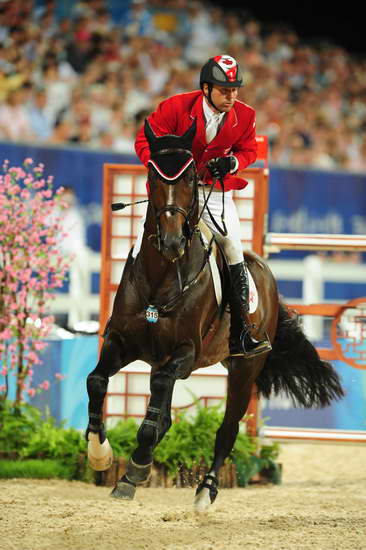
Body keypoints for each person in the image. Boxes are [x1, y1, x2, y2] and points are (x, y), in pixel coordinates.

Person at [134, 54, 271, 358]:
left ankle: (241, 333)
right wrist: (163, 168)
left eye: (235, 90)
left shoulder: (245, 116)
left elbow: (250, 150)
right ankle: (127, 318)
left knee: (232, 248)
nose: (231, 96)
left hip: (214, 193)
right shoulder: (175, 107)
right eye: (225, 90)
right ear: (206, 88)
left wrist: (233, 162)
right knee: (140, 245)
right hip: (174, 193)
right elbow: (144, 141)